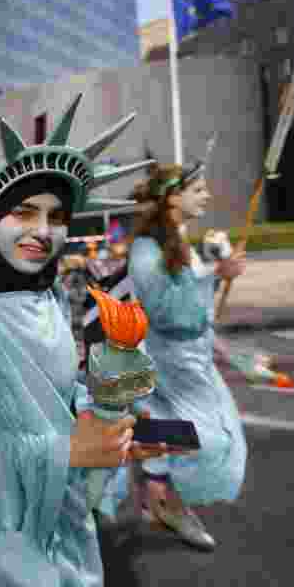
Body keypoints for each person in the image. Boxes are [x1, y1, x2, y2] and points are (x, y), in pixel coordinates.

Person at [0, 95, 172, 587]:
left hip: (65, 517)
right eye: (24, 212)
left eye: (57, 216)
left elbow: (56, 398)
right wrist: (67, 449)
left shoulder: (49, 291)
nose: (43, 231)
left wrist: (114, 426)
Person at [118, 162, 248, 549]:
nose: (206, 196)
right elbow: (169, 313)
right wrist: (216, 273)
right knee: (210, 439)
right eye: (198, 190)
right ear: (173, 197)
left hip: (193, 360)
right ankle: (147, 466)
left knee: (217, 434)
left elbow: (194, 306)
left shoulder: (180, 240)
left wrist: (214, 271)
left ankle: (159, 487)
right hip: (169, 361)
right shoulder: (145, 249)